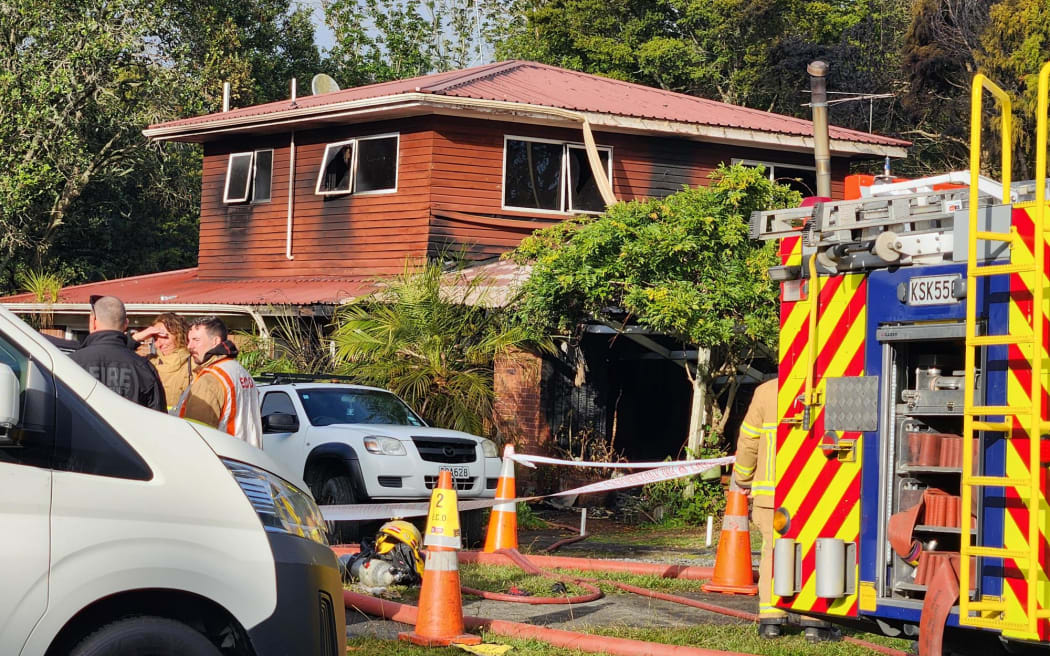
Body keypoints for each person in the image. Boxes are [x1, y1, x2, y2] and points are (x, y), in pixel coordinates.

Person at [731, 378, 838, 643]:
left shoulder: (766, 392)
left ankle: (771, 621)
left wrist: (743, 478)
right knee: (818, 549)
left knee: (772, 550)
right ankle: (816, 622)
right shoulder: (833, 387)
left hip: (772, 494)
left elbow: (748, 441)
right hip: (820, 492)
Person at [175, 316, 262, 448]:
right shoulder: (241, 372)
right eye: (189, 340)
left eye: (196, 340)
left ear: (215, 341)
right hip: (247, 458)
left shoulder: (210, 379)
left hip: (223, 457)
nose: (189, 346)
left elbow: (197, 434)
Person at [70, 295, 166, 411]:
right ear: (126, 324)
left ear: (93, 321)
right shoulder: (144, 369)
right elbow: (158, 418)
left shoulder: (71, 364)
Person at [132, 312, 192, 411]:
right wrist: (136, 338)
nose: (158, 344)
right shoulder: (146, 363)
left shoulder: (194, 365)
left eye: (164, 337)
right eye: (155, 338)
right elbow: (115, 355)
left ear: (180, 335)